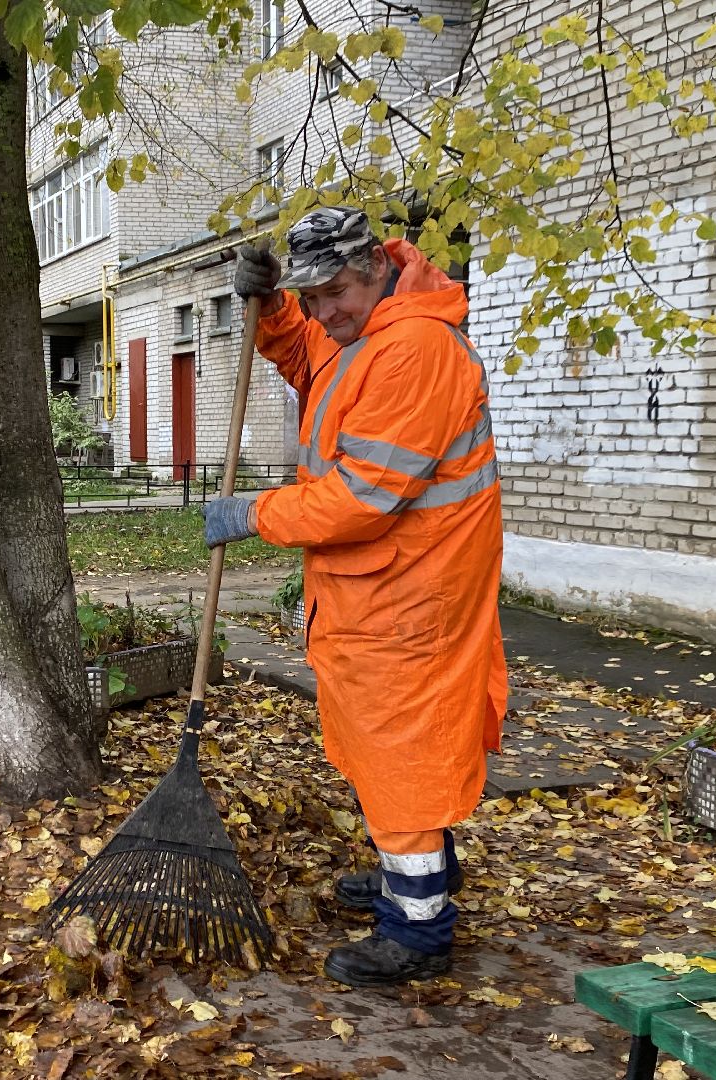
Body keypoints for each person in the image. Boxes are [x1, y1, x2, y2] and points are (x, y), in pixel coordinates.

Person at [204, 206, 508, 988]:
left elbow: (362, 498)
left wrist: (254, 513)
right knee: (383, 755)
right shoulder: (362, 336)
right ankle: (416, 875)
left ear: (376, 266)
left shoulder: (412, 351)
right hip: (380, 596)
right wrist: (272, 305)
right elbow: (308, 353)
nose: (324, 312)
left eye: (334, 290)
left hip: (411, 602)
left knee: (402, 758)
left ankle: (418, 928)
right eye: (312, 297)